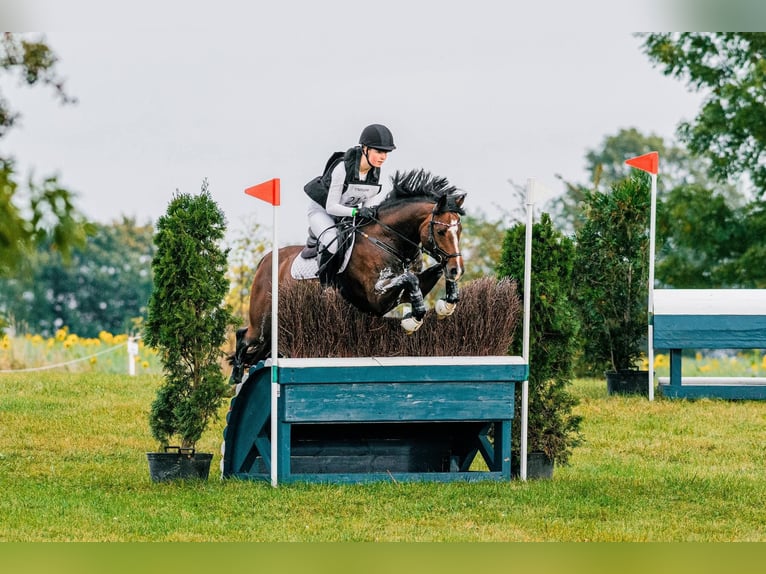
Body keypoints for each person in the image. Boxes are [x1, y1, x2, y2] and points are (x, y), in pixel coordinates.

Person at [302, 124, 396, 282]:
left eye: (386, 152)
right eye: (379, 151)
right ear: (365, 149)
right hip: (322, 211)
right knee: (332, 241)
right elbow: (331, 207)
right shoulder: (342, 168)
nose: (383, 157)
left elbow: (367, 206)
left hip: (345, 213)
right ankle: (326, 288)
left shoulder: (374, 171)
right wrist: (356, 212)